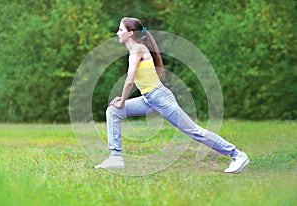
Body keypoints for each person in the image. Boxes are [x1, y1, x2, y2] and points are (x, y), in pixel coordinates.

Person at [95, 17, 249, 173]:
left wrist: (122, 102)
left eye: (121, 30)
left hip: (160, 98)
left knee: (194, 131)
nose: (117, 33)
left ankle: (237, 155)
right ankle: (115, 157)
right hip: (149, 99)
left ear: (130, 33)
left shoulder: (138, 49)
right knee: (113, 111)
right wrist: (122, 101)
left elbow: (130, 80)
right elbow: (138, 81)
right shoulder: (135, 50)